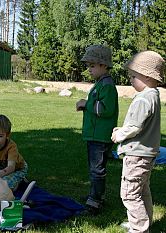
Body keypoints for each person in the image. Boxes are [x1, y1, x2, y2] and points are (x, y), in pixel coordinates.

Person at [111, 51, 164, 233]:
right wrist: (123, 130)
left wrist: (119, 135)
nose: (131, 80)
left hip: (137, 154)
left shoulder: (143, 98)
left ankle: (139, 228)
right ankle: (143, 222)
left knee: (130, 194)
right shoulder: (154, 95)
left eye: (133, 76)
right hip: (147, 153)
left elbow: (134, 127)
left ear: (147, 76)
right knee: (142, 190)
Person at [76, 45, 119, 215]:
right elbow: (98, 107)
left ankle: (95, 201)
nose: (89, 69)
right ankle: (95, 196)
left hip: (100, 137)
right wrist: (86, 107)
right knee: (95, 168)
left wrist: (86, 104)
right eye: (88, 66)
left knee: (97, 169)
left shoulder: (107, 85)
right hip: (94, 135)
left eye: (92, 66)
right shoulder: (100, 83)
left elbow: (106, 109)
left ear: (103, 65)